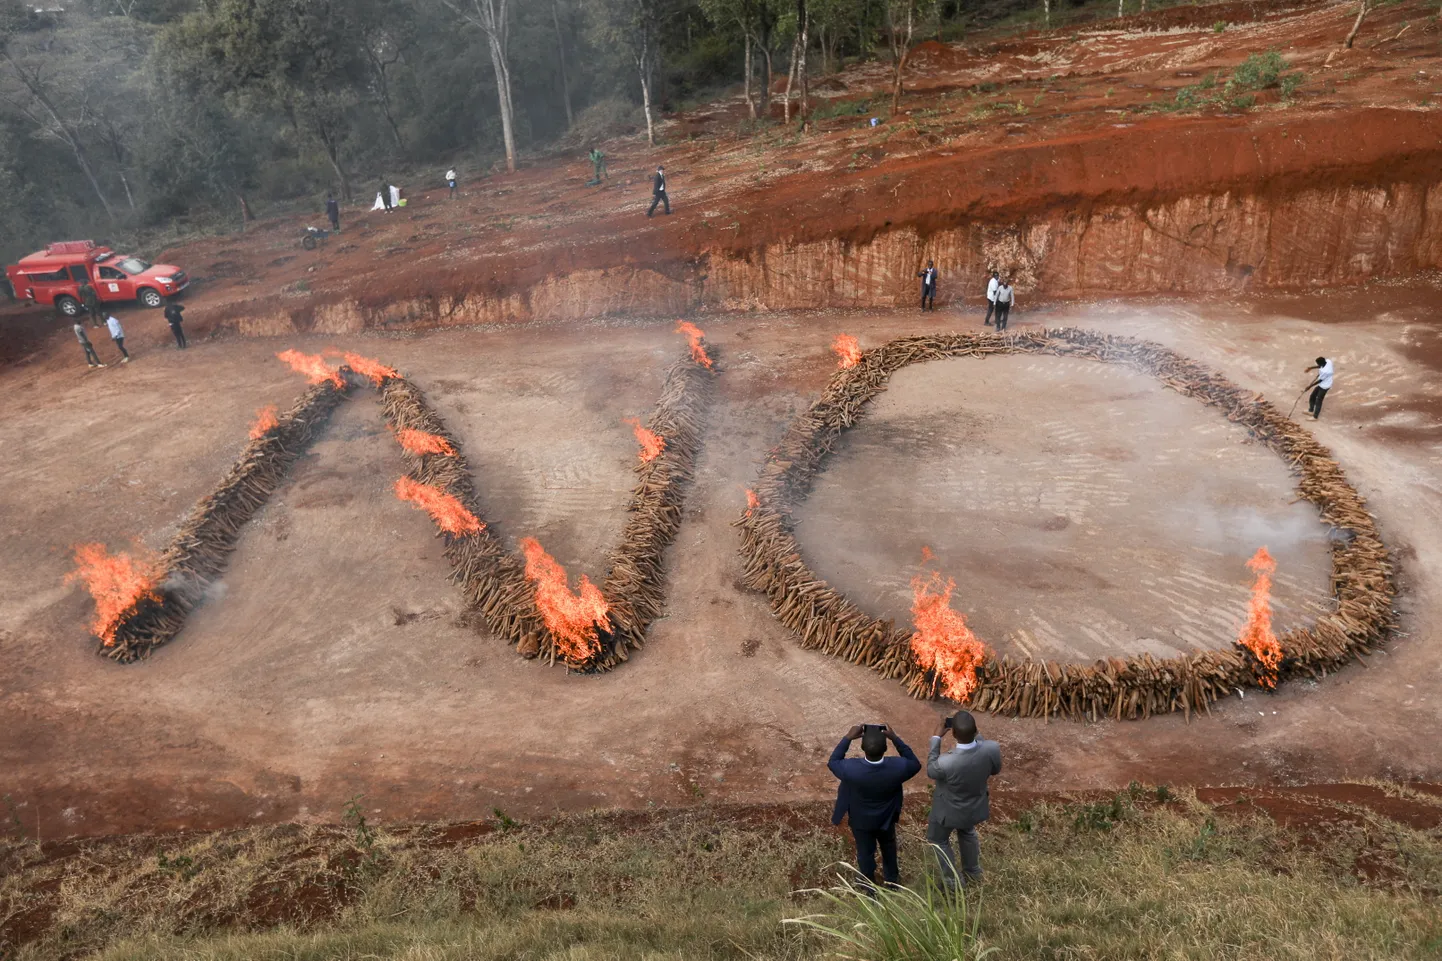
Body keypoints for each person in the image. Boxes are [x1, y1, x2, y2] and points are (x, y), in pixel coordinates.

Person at [828, 723, 922, 890]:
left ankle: (869, 888)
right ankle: (892, 883)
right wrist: (895, 738)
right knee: (889, 849)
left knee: (865, 853)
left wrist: (848, 737)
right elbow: (915, 764)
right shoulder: (897, 767)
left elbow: (833, 761)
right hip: (886, 819)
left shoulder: (851, 769)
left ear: (862, 747)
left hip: (861, 821)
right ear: (886, 748)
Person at [926, 710, 1002, 889]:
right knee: (967, 832)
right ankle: (973, 872)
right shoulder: (991, 749)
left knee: (939, 841)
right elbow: (995, 769)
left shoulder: (946, 762)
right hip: (974, 807)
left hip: (947, 811)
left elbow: (931, 770)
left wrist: (936, 738)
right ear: (976, 730)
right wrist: (975, 733)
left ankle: (953, 881)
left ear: (952, 733)